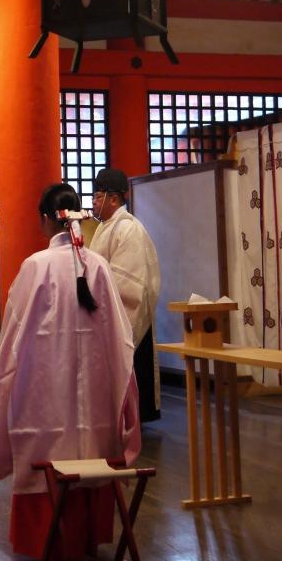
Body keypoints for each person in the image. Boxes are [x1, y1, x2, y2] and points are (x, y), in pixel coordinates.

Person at [0, 183, 140, 560]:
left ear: (45, 220)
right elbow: (120, 337)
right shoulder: (98, 266)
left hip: (45, 392)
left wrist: (2, 382)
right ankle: (86, 539)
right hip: (95, 396)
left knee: (46, 450)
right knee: (90, 449)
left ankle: (48, 542)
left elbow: (13, 334)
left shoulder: (36, 266)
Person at [89, 167, 163, 422]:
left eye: (98, 196)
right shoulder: (106, 226)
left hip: (126, 313)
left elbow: (129, 281)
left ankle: (133, 419)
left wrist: (95, 290)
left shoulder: (129, 228)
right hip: (107, 310)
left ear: (114, 199)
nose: (94, 202)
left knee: (132, 369)